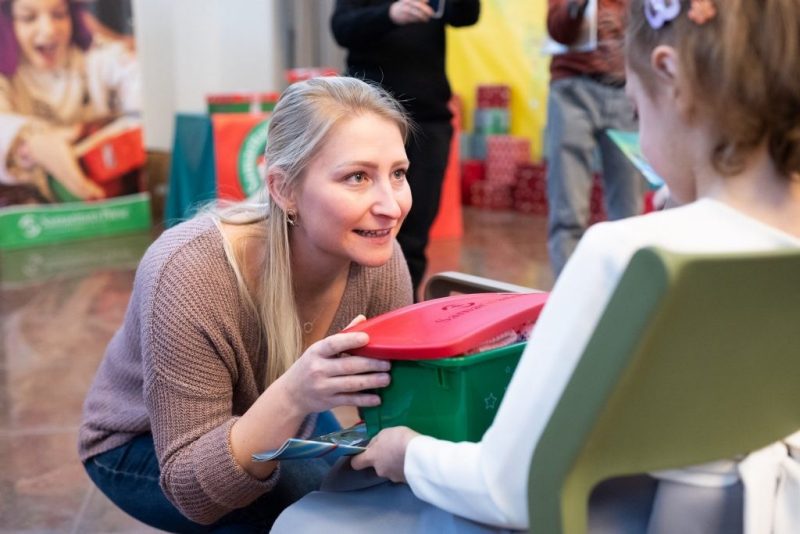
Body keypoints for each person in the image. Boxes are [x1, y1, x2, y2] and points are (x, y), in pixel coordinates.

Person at [350, 0, 800, 530]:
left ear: (671, 77)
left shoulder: (631, 255)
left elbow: (511, 487)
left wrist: (408, 453)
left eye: (636, 110)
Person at [78, 76, 415, 531]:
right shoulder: (188, 272)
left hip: (283, 401)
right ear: (284, 189)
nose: (391, 206)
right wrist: (296, 393)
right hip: (140, 443)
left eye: (397, 173)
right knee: (301, 513)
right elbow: (191, 490)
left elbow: (396, 409)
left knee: (370, 502)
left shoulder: (378, 254)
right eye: (357, 177)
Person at [331, 0, 481, 299]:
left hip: (429, 116)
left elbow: (466, 15)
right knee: (360, 229)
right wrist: (389, 14)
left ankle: (399, 310)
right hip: (369, 114)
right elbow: (342, 29)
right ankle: (352, 311)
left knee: (414, 235)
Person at [0, 0, 140, 202]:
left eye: (58, 15)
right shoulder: (6, 74)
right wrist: (33, 143)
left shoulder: (95, 55)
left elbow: (137, 81)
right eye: (29, 18)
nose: (48, 30)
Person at [545, 0, 644, 277]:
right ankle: (568, 293)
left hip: (627, 91)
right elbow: (557, 30)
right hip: (572, 89)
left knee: (629, 210)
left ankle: (626, 295)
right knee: (568, 209)